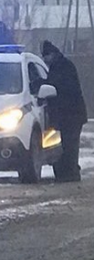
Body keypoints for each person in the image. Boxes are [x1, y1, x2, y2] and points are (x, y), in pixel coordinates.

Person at [41, 40, 88, 182]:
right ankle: (65, 172)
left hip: (72, 115)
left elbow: (60, 87)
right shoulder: (59, 66)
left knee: (70, 145)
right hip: (65, 115)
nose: (45, 60)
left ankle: (71, 173)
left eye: (46, 56)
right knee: (62, 145)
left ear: (53, 54)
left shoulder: (63, 67)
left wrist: (43, 84)